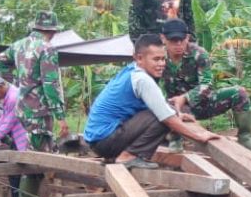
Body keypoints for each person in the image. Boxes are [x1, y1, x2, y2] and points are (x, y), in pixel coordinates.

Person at [84, 34, 220, 167]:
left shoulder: (131, 70)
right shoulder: (142, 79)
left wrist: (179, 115)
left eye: (163, 59)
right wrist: (198, 136)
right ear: (139, 58)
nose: (161, 64)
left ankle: (119, 155)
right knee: (165, 118)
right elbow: (167, 118)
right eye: (156, 59)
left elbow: (159, 106)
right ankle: (129, 156)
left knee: (169, 111)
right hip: (105, 141)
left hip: (99, 141)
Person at [0, 11, 71, 197]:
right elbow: (51, 84)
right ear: (52, 31)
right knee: (37, 155)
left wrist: (20, 81)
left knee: (38, 151)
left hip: (23, 107)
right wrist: (60, 116)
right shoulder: (47, 48)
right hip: (40, 109)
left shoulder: (18, 45)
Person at [158, 18, 251, 151]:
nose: (178, 44)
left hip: (203, 102)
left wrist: (185, 97)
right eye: (173, 40)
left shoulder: (199, 54)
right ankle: (175, 139)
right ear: (163, 39)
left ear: (187, 38)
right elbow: (153, 87)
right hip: (173, 108)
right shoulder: (158, 57)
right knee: (163, 102)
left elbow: (207, 84)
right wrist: (173, 103)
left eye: (181, 40)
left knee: (239, 93)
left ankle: (246, 138)